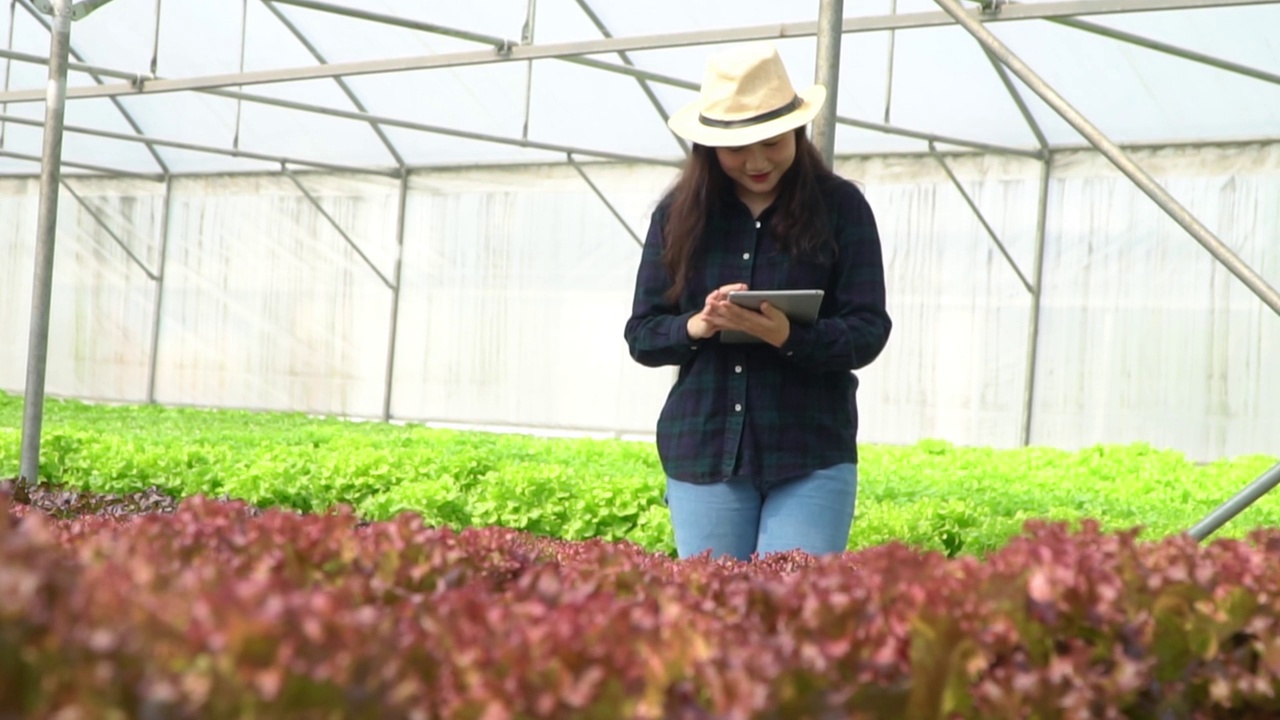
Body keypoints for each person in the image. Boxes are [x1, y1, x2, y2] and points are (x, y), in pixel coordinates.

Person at [623, 43, 892, 561]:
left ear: (796, 131)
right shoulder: (677, 216)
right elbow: (643, 333)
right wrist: (698, 325)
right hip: (703, 447)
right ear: (709, 149)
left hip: (810, 450)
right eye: (738, 148)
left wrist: (789, 337)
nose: (757, 160)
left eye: (772, 141)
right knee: (714, 617)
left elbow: (868, 328)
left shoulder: (841, 209)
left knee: (793, 613)